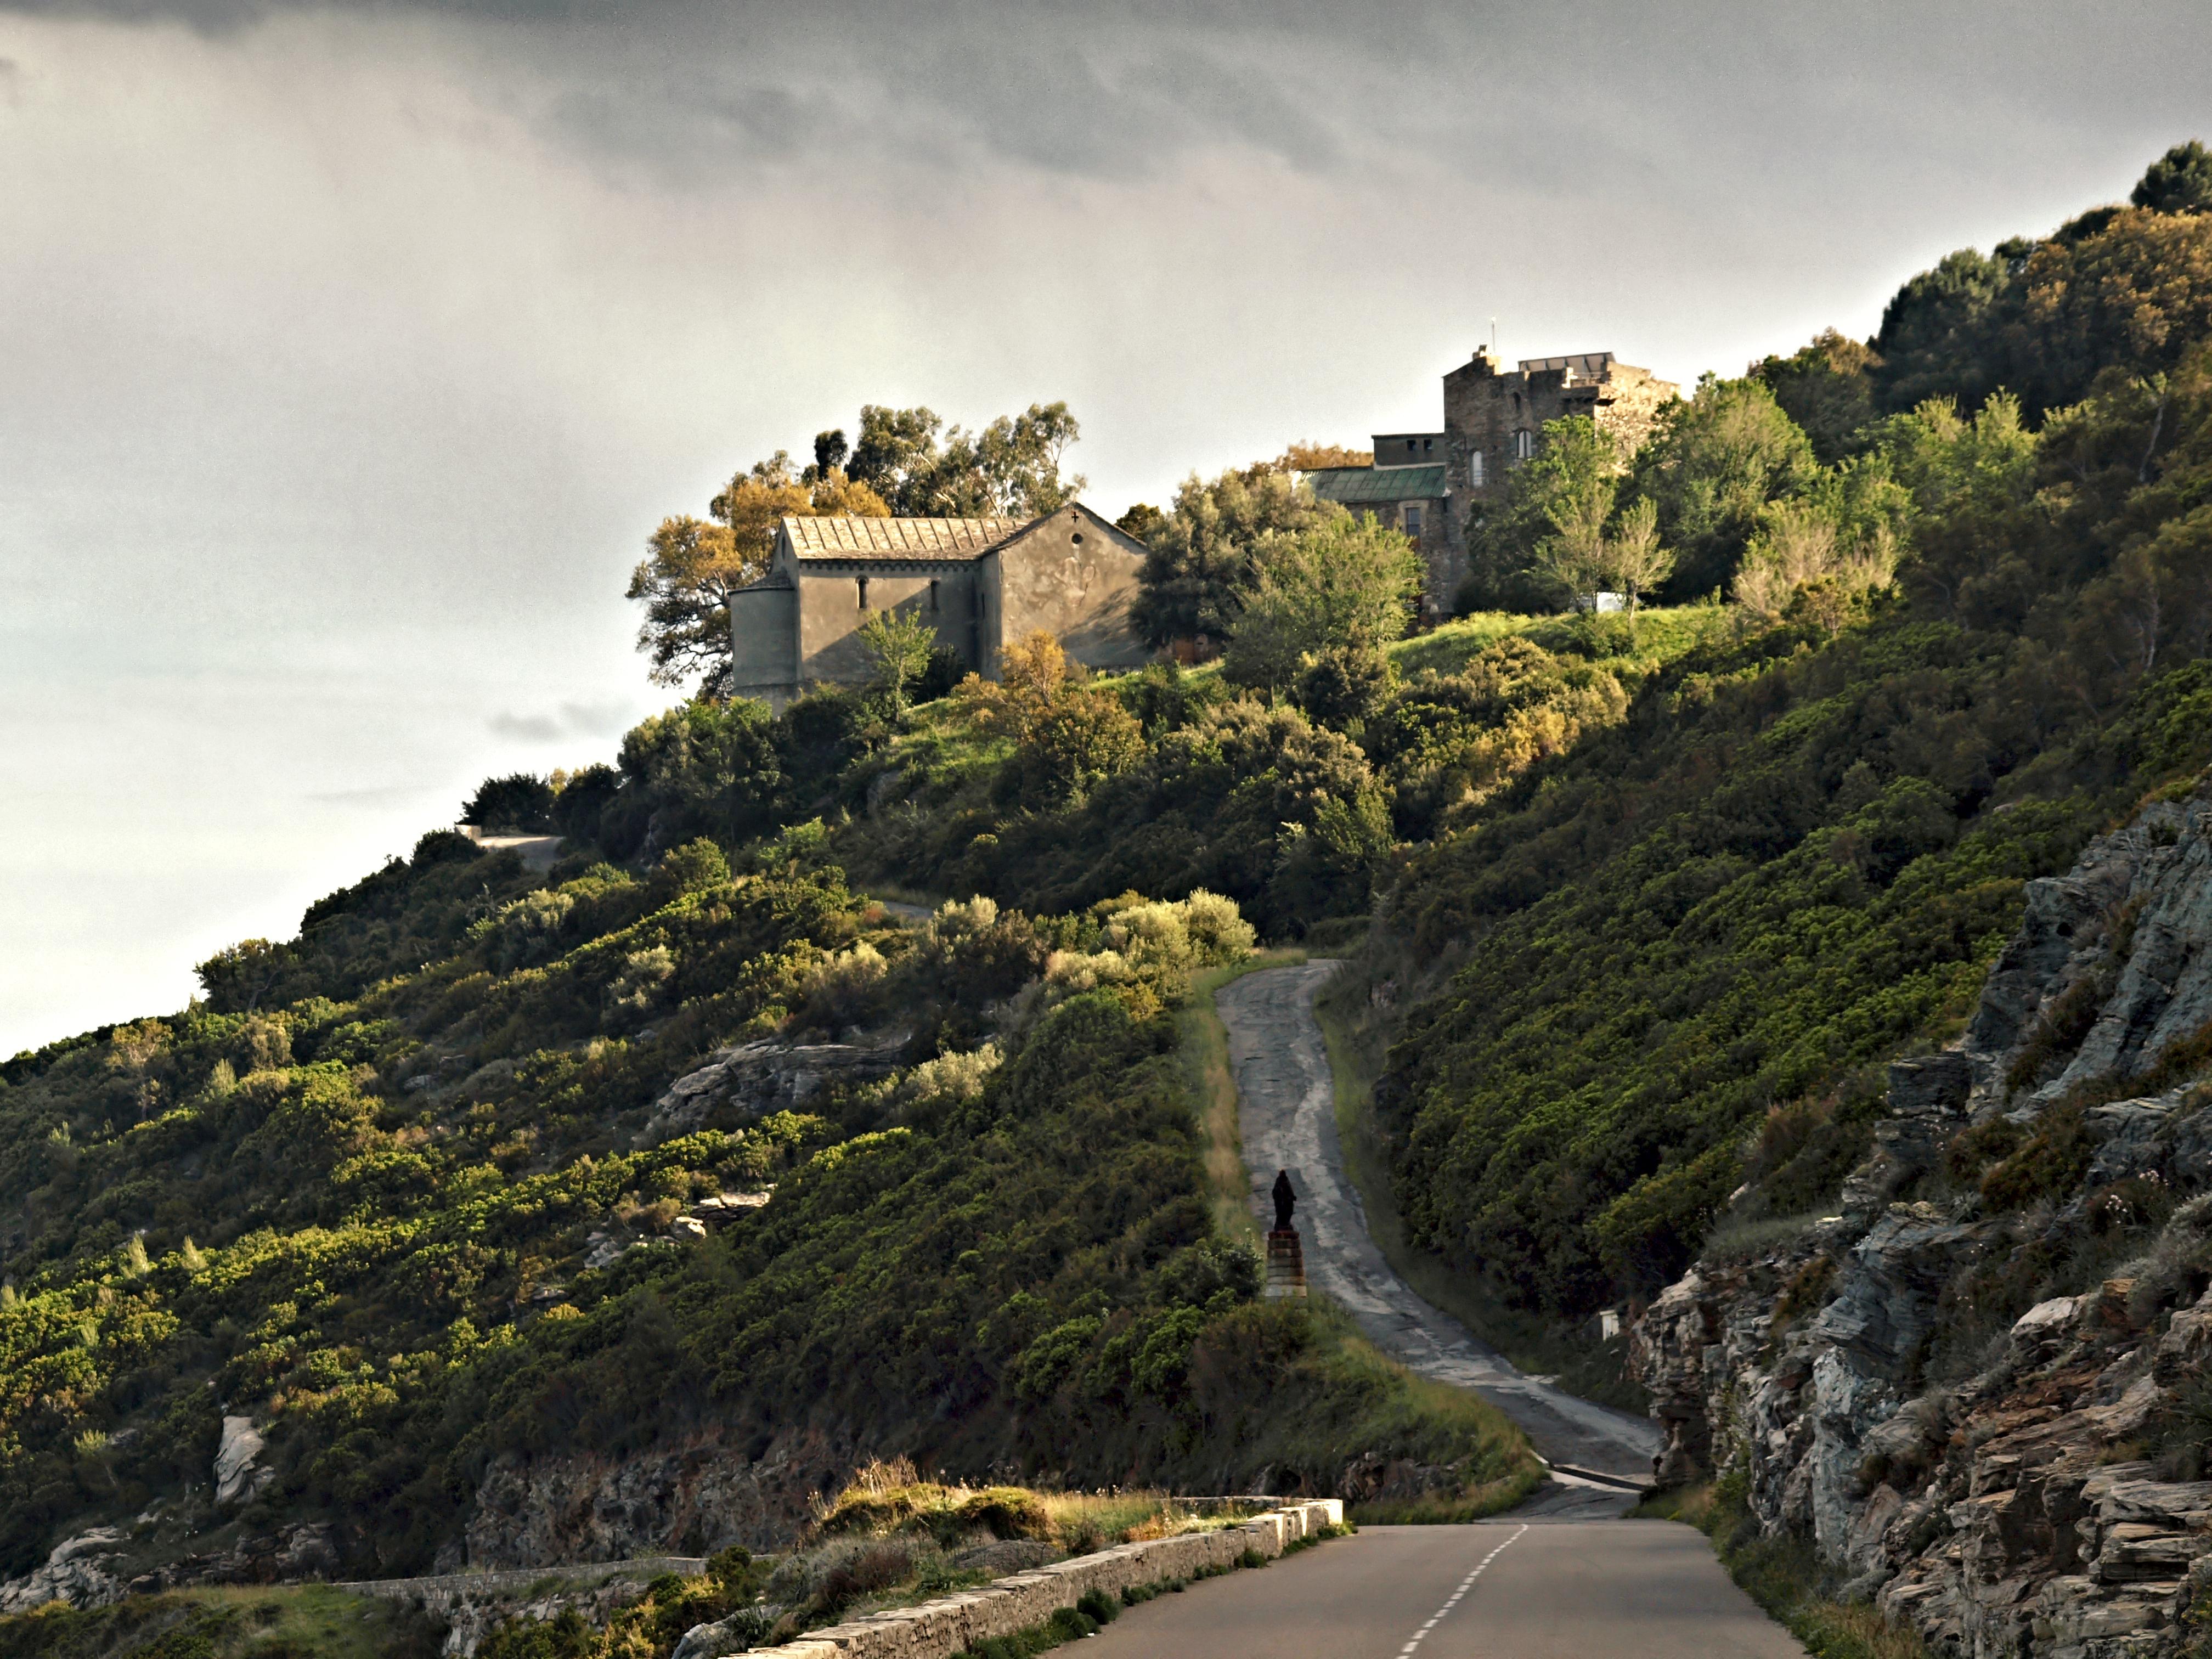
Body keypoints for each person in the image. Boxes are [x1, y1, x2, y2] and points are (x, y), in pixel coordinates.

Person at [1271, 1169, 1296, 1233]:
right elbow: (1275, 1193)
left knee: (1286, 1215)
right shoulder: (1279, 1182)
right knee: (1280, 1216)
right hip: (1280, 1205)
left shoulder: (1286, 1182)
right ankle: (1280, 1228)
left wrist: (1291, 1198)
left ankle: (1286, 1226)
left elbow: (1290, 1192)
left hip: (1287, 1204)